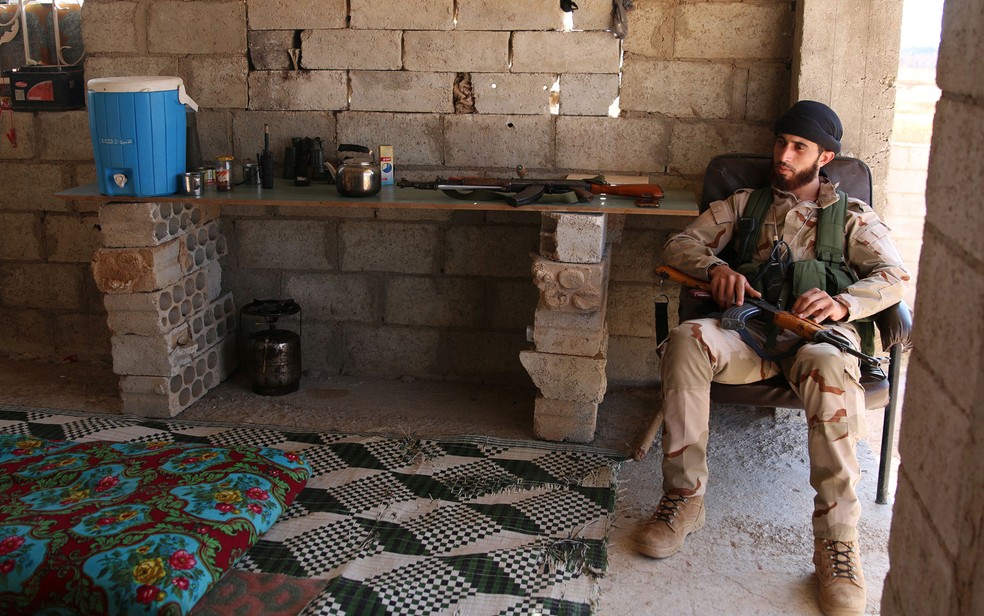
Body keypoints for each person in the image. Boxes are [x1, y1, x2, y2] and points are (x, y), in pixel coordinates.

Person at [635, 100, 909, 616]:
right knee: (688, 339)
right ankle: (683, 498)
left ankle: (837, 541)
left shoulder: (852, 217)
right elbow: (680, 244)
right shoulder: (744, 204)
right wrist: (716, 268)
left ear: (824, 157)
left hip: (817, 344)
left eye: (798, 147)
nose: (783, 155)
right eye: (780, 143)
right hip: (749, 336)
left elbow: (893, 276)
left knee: (831, 371)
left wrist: (843, 302)